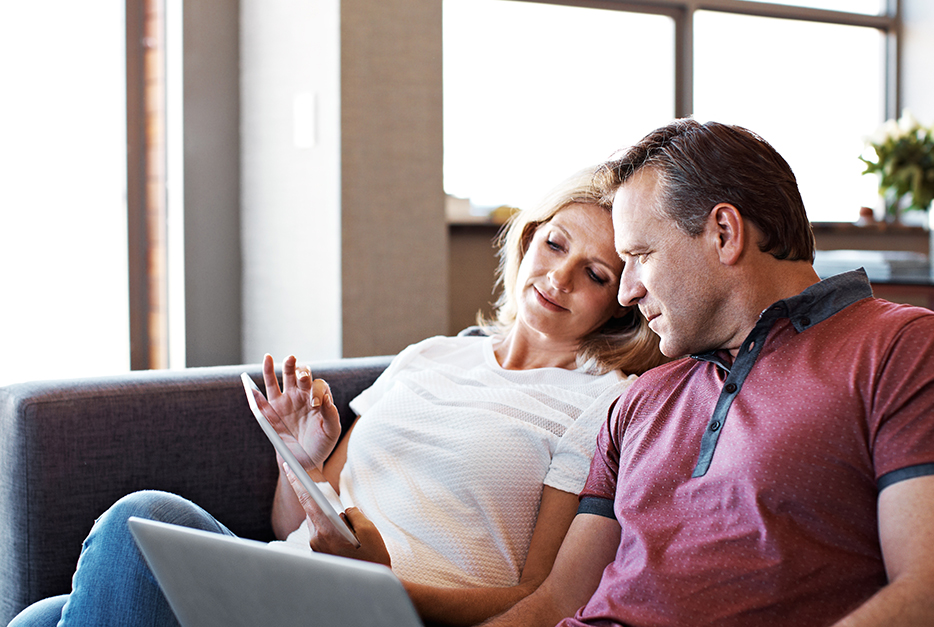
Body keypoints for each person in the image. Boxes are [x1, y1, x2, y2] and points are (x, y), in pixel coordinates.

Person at [8, 169, 667, 627]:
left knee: (138, 517)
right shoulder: (430, 356)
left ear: (619, 302)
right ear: (529, 237)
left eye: (595, 273)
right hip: (296, 581)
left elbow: (540, 596)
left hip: (384, 610)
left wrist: (381, 584)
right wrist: (304, 454)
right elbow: (294, 523)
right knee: (43, 616)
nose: (558, 275)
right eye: (555, 243)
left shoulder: (600, 404)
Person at [481, 118, 934, 627]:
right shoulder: (639, 401)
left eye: (640, 256)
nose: (626, 292)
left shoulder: (902, 349)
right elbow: (554, 606)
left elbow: (923, 593)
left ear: (723, 233)